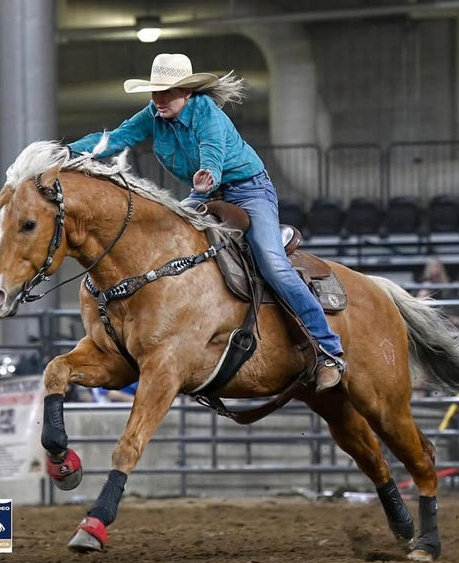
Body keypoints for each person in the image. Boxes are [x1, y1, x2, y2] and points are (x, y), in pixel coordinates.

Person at [67, 53, 345, 392]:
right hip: (202, 192)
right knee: (165, 240)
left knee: (273, 264)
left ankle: (329, 350)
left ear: (187, 92)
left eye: (167, 93)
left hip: (248, 191)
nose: (158, 100)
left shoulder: (207, 114)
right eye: (155, 93)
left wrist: (209, 175)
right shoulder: (153, 115)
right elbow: (116, 138)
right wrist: (66, 152)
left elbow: (213, 149)